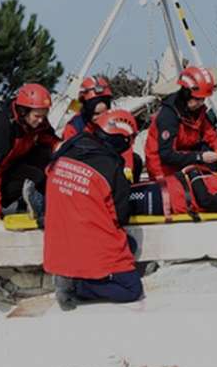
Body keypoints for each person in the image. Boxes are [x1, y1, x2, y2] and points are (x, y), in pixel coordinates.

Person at [44, 109, 143, 310]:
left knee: (128, 245)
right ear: (121, 139)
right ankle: (78, 286)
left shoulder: (69, 148)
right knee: (131, 289)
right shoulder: (112, 166)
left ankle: (77, 277)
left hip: (58, 240)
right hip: (89, 238)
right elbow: (121, 216)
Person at [0, 83, 59, 218]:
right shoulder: (3, 126)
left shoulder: (34, 118)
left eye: (44, 116)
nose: (41, 120)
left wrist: (62, 146)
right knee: (35, 176)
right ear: (23, 111)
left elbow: (48, 137)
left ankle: (26, 201)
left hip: (9, 161)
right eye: (37, 116)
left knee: (45, 153)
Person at [144, 66, 217, 179]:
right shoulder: (168, 116)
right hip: (163, 167)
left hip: (185, 159)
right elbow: (166, 154)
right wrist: (199, 157)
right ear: (186, 94)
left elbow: (211, 135)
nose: (201, 103)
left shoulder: (198, 112)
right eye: (197, 99)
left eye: (203, 99)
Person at [62, 76, 143, 181]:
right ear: (86, 110)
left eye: (104, 113)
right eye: (96, 114)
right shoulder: (74, 127)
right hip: (85, 173)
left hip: (110, 166)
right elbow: (69, 158)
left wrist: (127, 171)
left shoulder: (114, 122)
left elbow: (125, 148)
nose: (100, 118)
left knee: (135, 160)